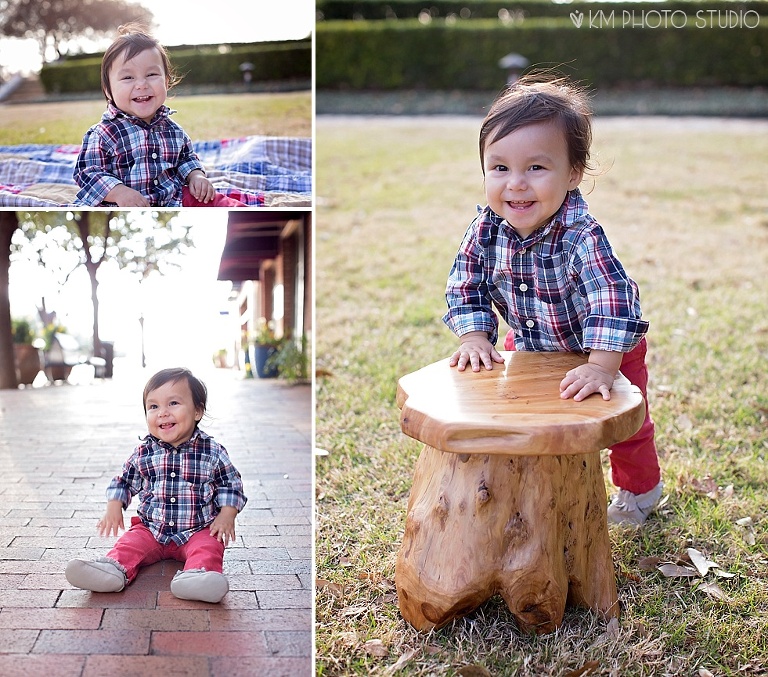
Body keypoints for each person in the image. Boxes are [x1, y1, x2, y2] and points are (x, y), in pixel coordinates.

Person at [443, 74, 662, 526]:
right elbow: (466, 283)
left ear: (573, 173)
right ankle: (525, 484)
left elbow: (612, 298)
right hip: (532, 346)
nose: (516, 184)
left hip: (603, 347)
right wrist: (474, 335)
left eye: (536, 168)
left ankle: (640, 490)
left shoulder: (581, 235)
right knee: (516, 414)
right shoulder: (484, 229)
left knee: (627, 426)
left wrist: (602, 367)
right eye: (499, 168)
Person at [65, 368, 247, 603]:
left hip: (197, 529)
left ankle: (198, 576)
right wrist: (113, 506)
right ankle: (111, 571)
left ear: (198, 411)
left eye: (173, 403)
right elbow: (124, 480)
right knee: (129, 543)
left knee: (209, 546)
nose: (162, 413)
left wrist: (227, 515)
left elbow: (231, 485)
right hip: (152, 529)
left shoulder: (211, 451)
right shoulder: (144, 452)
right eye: (153, 407)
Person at [73, 23, 244, 207]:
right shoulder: (103, 134)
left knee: (216, 202)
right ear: (108, 90)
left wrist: (196, 176)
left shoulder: (173, 130)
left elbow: (186, 157)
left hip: (174, 199)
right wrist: (118, 192)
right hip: (121, 205)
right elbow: (87, 172)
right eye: (128, 77)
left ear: (166, 81)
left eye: (152, 74)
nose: (141, 84)